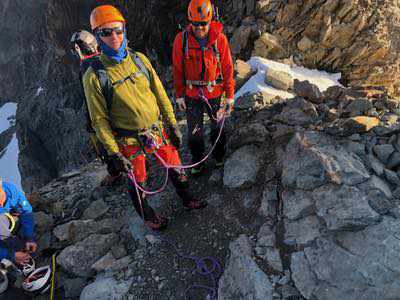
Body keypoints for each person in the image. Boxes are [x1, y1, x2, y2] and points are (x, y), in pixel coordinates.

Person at [83, 5, 207, 230]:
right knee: (138, 181)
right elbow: (99, 120)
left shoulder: (139, 59)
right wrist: (114, 152)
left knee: (176, 167)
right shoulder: (95, 76)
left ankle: (187, 198)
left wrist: (172, 124)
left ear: (125, 30)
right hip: (129, 141)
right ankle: (149, 217)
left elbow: (159, 93)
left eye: (119, 30)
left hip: (157, 130)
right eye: (106, 32)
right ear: (98, 37)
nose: (114, 37)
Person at [172, 0, 235, 175]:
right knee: (194, 133)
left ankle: (219, 157)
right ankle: (197, 160)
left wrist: (230, 95)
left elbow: (228, 67)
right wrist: (179, 94)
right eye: (195, 24)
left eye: (203, 24)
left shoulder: (219, 39)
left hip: (215, 91)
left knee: (218, 127)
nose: (199, 28)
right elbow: (177, 69)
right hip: (192, 93)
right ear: (189, 21)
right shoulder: (181, 40)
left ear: (210, 19)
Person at [70, 30, 123, 186]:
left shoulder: (86, 68)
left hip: (100, 110)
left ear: (78, 49)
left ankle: (115, 171)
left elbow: (90, 98)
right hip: (117, 107)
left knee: (102, 141)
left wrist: (91, 121)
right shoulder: (107, 57)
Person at [0, 180, 36, 267]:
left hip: (10, 222)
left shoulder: (11, 191)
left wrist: (29, 237)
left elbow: (26, 212)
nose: (0, 204)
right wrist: (10, 255)